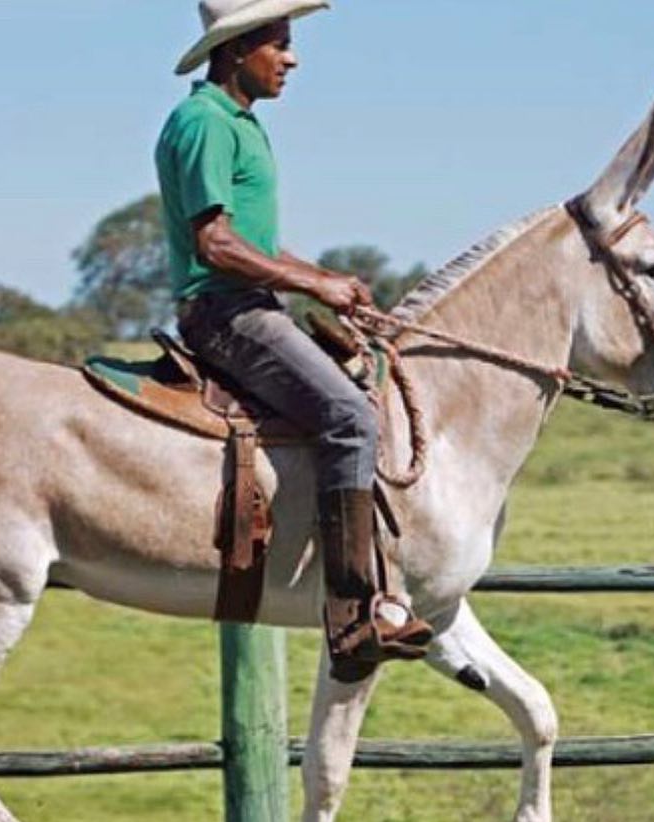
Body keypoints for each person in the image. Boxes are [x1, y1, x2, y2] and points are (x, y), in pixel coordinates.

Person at [156, 0, 433, 682]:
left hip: (251, 300)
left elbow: (255, 242)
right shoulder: (203, 123)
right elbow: (214, 244)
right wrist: (313, 288)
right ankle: (351, 614)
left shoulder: (240, 125)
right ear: (235, 51)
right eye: (278, 43)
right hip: (225, 313)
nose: (291, 58)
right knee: (346, 416)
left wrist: (322, 280)